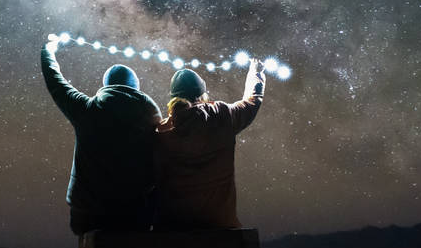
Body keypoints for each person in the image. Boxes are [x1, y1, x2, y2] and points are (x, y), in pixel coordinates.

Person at [41, 34, 162, 234]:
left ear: (107, 85)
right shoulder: (152, 117)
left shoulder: (86, 110)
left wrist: (47, 49)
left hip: (88, 215)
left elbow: (54, 80)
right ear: (136, 87)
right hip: (136, 214)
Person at [154, 59, 265, 230]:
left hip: (174, 225)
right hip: (219, 223)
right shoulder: (222, 116)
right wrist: (255, 72)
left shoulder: (160, 131)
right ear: (201, 94)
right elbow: (252, 102)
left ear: (173, 97)